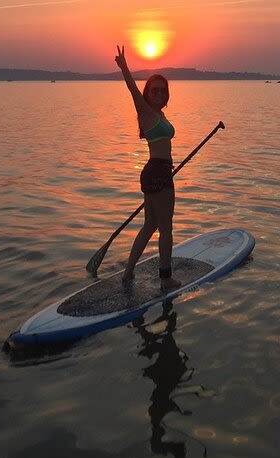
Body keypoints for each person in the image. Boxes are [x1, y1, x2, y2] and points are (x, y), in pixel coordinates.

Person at [115, 45, 181, 291]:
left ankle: (128, 273)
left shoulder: (158, 114)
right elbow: (132, 90)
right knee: (166, 228)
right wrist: (124, 67)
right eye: (155, 90)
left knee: (151, 225)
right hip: (158, 172)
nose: (160, 94)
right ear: (148, 92)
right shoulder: (144, 111)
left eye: (163, 91)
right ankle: (166, 279)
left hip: (157, 171)